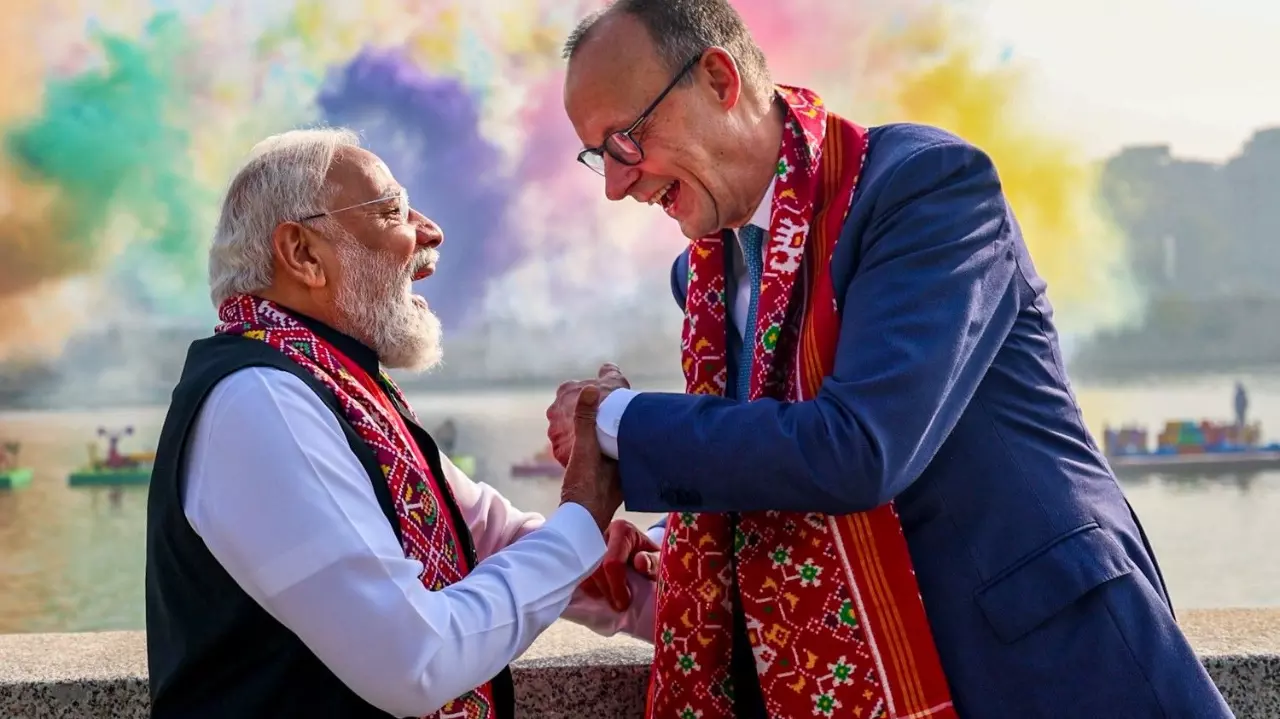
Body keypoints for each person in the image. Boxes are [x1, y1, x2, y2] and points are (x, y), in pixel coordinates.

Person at [548, 2, 1234, 718]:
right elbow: (775, 459)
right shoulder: (702, 278)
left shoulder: (923, 189)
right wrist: (674, 548)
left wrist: (616, 422)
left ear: (720, 80)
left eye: (627, 139)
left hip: (1052, 665)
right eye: (601, 154)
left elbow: (860, 446)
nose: (616, 184)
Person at [144, 128, 650, 719]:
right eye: (392, 212)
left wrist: (614, 563)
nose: (428, 233)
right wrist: (584, 512)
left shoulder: (336, 385)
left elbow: (493, 537)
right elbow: (416, 661)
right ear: (304, 254)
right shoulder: (260, 399)